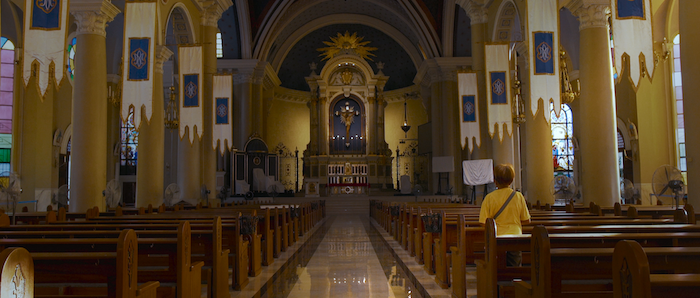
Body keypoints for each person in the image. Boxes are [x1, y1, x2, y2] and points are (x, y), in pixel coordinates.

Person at [478, 163, 531, 266]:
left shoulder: (489, 198)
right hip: (515, 237)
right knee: (515, 266)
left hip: (496, 237)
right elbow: (526, 220)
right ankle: (515, 280)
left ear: (495, 181)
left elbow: (483, 223)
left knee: (496, 266)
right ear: (511, 180)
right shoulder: (518, 196)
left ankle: (496, 280)